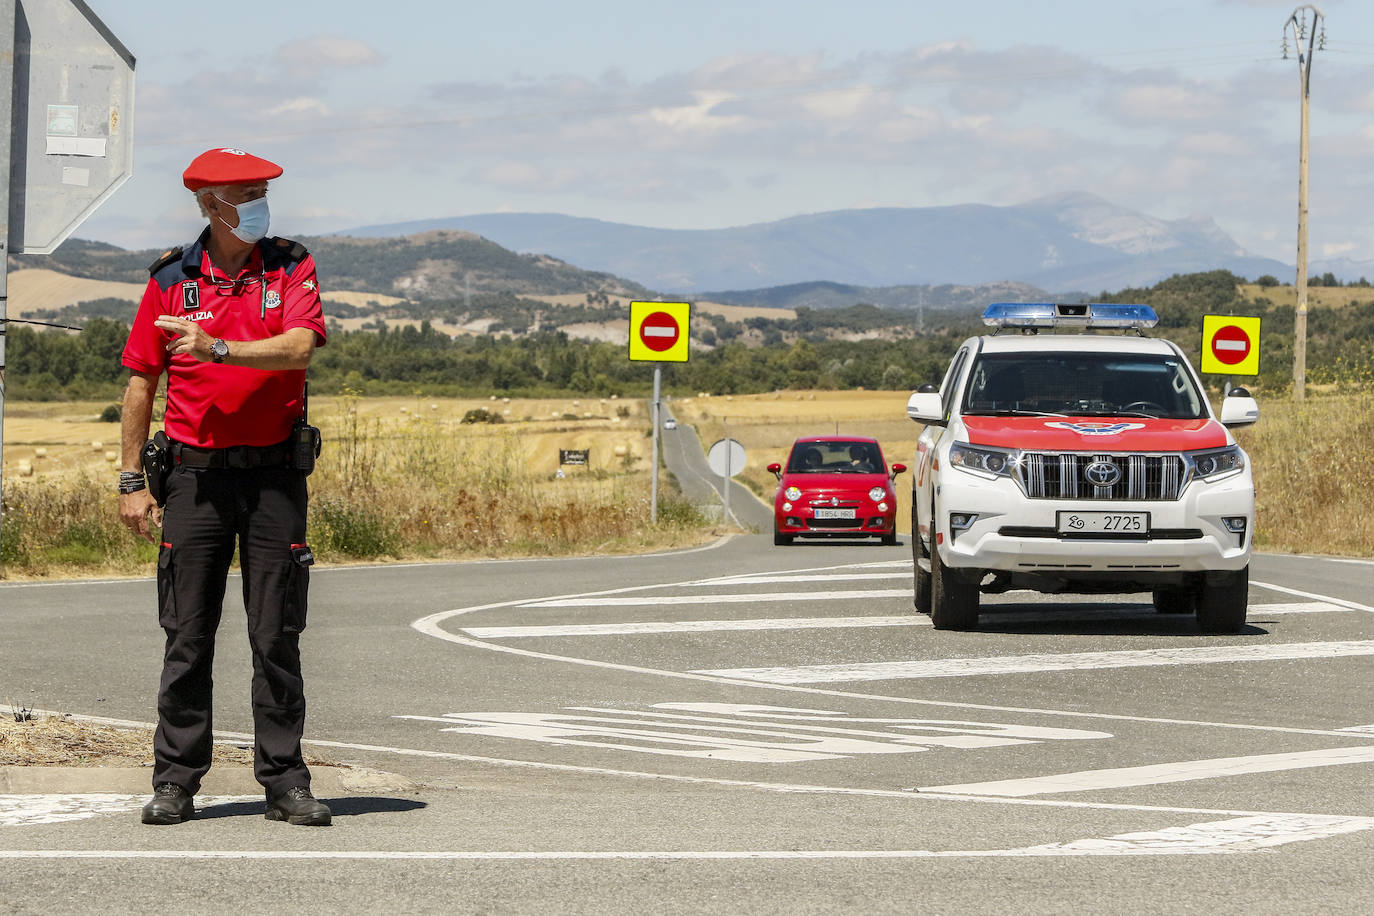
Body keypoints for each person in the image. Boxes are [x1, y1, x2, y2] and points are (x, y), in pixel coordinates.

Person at [118, 148, 330, 827]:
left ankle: (285, 781)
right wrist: (130, 480)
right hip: (193, 479)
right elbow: (140, 381)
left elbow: (299, 347)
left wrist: (217, 348)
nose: (262, 201)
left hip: (272, 475)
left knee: (276, 634)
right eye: (249, 191)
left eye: (265, 189)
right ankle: (176, 781)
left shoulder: (290, 265)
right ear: (211, 204)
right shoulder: (171, 279)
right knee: (188, 634)